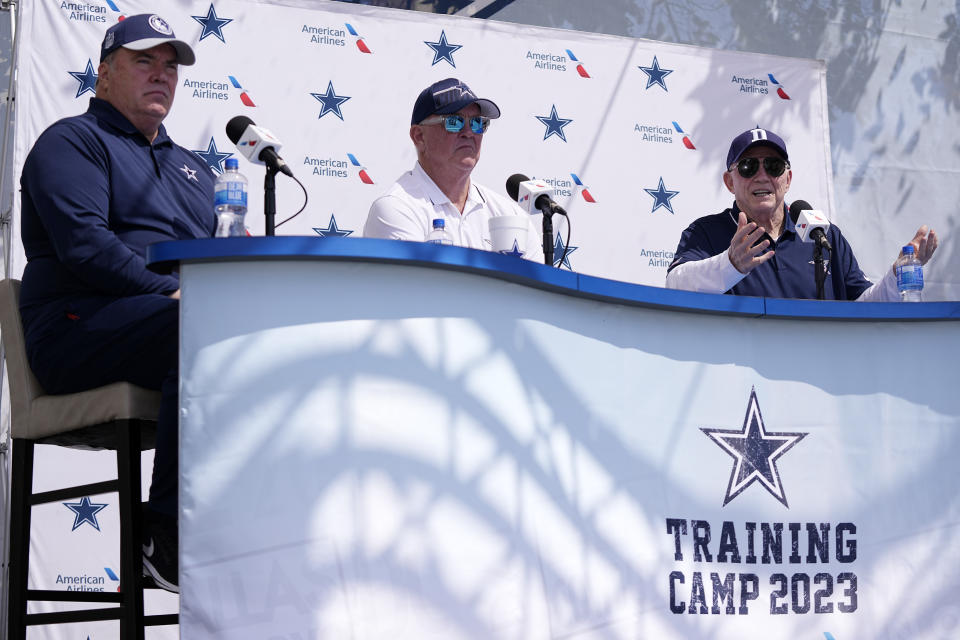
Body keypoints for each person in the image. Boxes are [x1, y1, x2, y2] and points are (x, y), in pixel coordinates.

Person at [18, 14, 214, 593]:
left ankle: (245, 523)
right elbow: (86, 247)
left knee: (267, 338)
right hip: (76, 329)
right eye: (144, 61)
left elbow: (220, 259)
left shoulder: (196, 170)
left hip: (168, 326)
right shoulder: (71, 141)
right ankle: (165, 536)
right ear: (103, 74)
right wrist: (174, 292)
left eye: (171, 67)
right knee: (202, 323)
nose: (161, 76)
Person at [665, 127, 938, 299]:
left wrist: (898, 272)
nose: (762, 176)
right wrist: (730, 264)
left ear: (788, 179)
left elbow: (862, 305)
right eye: (749, 167)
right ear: (729, 182)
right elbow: (675, 286)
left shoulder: (822, 233)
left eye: (773, 166)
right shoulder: (707, 231)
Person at [364, 77, 545, 263]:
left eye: (477, 123)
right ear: (419, 136)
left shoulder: (510, 216)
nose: (469, 132)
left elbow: (538, 289)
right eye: (454, 121)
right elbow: (415, 287)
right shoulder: (396, 208)